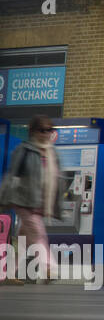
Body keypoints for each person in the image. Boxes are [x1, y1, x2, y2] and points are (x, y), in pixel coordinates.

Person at [0, 117, 61, 284]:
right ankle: (49, 267)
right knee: (38, 233)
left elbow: (56, 179)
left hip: (41, 203)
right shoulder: (24, 150)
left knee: (23, 240)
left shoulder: (51, 152)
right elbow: (12, 175)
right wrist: (3, 198)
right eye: (43, 130)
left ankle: (8, 273)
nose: (47, 133)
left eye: (50, 130)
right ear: (33, 132)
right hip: (24, 200)